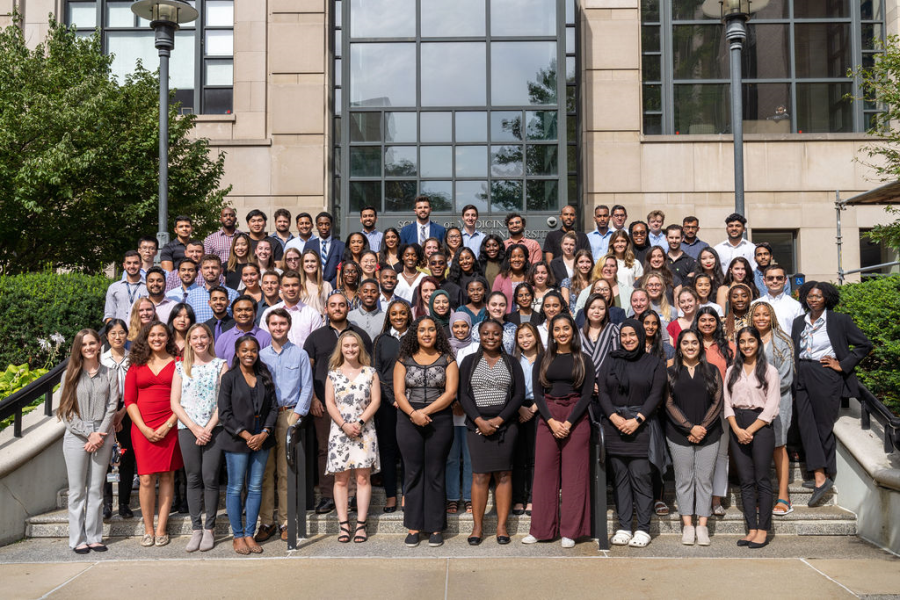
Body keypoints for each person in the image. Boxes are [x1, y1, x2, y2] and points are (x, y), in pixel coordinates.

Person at [791, 282, 872, 506]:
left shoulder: (839, 320)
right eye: (809, 296)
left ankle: (821, 477)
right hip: (802, 373)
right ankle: (822, 474)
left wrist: (842, 364)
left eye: (818, 296)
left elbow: (864, 345)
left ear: (827, 298)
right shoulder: (800, 322)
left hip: (825, 373)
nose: (813, 299)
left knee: (823, 426)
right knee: (806, 424)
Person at [523, 314, 595, 548]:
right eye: (557, 329)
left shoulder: (584, 359)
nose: (562, 333)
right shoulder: (543, 359)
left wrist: (570, 422)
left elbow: (586, 395)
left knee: (575, 476)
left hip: (576, 416)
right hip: (549, 416)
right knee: (544, 474)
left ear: (573, 331)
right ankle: (541, 529)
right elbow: (538, 392)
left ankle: (571, 531)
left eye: (566, 328)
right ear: (551, 333)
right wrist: (552, 421)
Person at [598, 319, 667, 548]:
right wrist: (615, 418)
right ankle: (624, 526)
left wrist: (637, 420)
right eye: (624, 335)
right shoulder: (611, 359)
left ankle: (644, 529)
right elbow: (603, 392)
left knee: (640, 477)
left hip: (642, 427)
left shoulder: (654, 363)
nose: (628, 339)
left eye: (632, 335)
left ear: (640, 336)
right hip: (614, 426)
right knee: (620, 479)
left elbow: (656, 395)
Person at [457, 320, 526, 545]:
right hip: (476, 426)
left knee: (504, 475)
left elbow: (518, 395)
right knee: (480, 475)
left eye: (495, 334)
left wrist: (498, 420)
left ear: (501, 336)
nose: (490, 337)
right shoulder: (468, 362)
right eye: (486, 333)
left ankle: (501, 526)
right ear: (479, 335)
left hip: (505, 425)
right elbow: (463, 395)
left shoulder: (512, 362)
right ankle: (477, 527)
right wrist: (479, 420)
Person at [304, 292, 374, 515]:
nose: (337, 308)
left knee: (357, 451)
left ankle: (354, 496)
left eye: (341, 305)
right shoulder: (315, 337)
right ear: (326, 309)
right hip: (326, 404)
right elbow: (308, 371)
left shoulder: (360, 335)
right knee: (326, 449)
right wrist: (314, 398)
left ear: (348, 308)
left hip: (359, 406)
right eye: (333, 305)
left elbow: (370, 369)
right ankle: (327, 496)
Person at [394, 316, 459, 548]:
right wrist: (413, 414)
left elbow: (451, 394)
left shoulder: (448, 359)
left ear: (437, 333)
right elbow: (399, 393)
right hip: (407, 419)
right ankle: (413, 526)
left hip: (439, 420)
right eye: (422, 330)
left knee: (435, 472)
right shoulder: (403, 360)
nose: (427, 333)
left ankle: (435, 526)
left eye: (431, 329)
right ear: (415, 333)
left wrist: (425, 412)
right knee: (413, 472)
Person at [256, 308, 314, 543]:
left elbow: (307, 388)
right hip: (264, 419)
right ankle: (267, 521)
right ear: (267, 326)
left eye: (282, 323)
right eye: (274, 324)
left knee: (286, 472)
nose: (278, 327)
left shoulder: (300, 355)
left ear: (289, 326)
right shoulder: (260, 355)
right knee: (265, 472)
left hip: (288, 415)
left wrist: (296, 417)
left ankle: (287, 521)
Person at [58, 329, 118, 554]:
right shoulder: (70, 375)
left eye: (92, 343)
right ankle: (77, 539)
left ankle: (94, 536)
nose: (89, 348)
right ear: (78, 348)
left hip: (103, 435)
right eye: (84, 345)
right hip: (76, 436)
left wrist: (99, 434)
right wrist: (88, 434)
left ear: (99, 344)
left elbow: (112, 406)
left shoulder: (109, 373)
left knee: (96, 489)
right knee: (77, 491)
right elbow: (66, 411)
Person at [123, 321, 183, 547]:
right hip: (142, 427)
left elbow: (184, 398)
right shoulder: (136, 365)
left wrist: (168, 425)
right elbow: (129, 401)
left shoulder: (179, 363)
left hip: (171, 424)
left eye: (161, 335)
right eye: (152, 335)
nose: (157, 338)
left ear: (168, 338)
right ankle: (148, 529)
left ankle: (161, 528)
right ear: (146, 339)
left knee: (167, 476)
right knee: (146, 479)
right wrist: (144, 428)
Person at [218, 335, 278, 555]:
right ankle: (238, 536)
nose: (249, 354)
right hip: (236, 441)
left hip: (262, 441)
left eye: (253, 350)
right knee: (235, 488)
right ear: (237, 353)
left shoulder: (264, 375)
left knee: (254, 488)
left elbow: (273, 408)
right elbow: (224, 413)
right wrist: (246, 435)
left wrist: (263, 433)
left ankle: (250, 534)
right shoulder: (229, 378)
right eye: (244, 350)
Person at [169, 324, 226, 552]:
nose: (200, 341)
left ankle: (210, 529)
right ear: (189, 342)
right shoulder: (181, 367)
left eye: (203, 337)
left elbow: (224, 402)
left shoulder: (220, 365)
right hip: (188, 429)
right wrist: (194, 428)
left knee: (210, 478)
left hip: (215, 429)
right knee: (192, 478)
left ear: (210, 339)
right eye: (195, 338)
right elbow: (175, 402)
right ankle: (196, 529)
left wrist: (208, 428)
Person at [664, 330, 723, 546]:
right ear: (679, 347)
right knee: (684, 479)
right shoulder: (670, 372)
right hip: (679, 434)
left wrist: (702, 427)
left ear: (701, 346)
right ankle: (688, 525)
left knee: (704, 480)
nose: (690, 346)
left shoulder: (712, 370)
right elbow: (668, 403)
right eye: (686, 343)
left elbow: (718, 401)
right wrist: (689, 427)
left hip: (709, 433)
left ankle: (703, 526)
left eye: (694, 343)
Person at [724, 327, 781, 548]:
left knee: (762, 480)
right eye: (742, 341)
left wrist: (750, 430)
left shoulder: (769, 371)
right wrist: (737, 429)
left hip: (761, 427)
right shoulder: (731, 371)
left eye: (751, 341)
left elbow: (771, 406)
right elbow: (727, 404)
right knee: (745, 481)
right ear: (738, 344)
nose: (747, 345)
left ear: (758, 343)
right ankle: (751, 529)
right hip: (737, 424)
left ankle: (763, 530)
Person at [326, 330, 381, 543]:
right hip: (340, 431)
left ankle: (360, 524)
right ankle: (343, 525)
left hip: (364, 431)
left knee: (362, 478)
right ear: (341, 348)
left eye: (354, 345)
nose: (350, 349)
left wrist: (358, 423)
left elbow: (375, 401)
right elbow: (329, 402)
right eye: (346, 345)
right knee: (340, 479)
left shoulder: (370, 372)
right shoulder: (333, 373)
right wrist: (343, 424)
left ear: (360, 348)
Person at [750, 301, 795, 516]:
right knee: (757, 448)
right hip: (752, 404)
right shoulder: (747, 339)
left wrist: (763, 393)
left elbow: (786, 377)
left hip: (779, 401)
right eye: (757, 314)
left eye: (765, 314)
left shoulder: (783, 341)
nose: (761, 318)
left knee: (778, 445)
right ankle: (763, 494)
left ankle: (784, 495)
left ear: (772, 317)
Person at [691, 307, 735, 517]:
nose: (707, 323)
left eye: (711, 320)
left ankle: (716, 499)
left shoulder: (728, 348)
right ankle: (698, 498)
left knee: (720, 455)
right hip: (694, 409)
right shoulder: (690, 344)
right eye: (703, 320)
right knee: (697, 455)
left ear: (717, 323)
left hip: (722, 408)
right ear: (697, 322)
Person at [372, 300, 413, 514]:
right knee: (388, 451)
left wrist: (405, 398)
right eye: (394, 313)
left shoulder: (414, 339)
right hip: (387, 405)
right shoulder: (380, 340)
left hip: (411, 402)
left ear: (408, 315)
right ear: (389, 316)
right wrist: (392, 397)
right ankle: (390, 496)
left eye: (402, 313)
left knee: (407, 451)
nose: (398, 317)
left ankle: (407, 494)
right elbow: (376, 372)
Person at [101, 320, 136, 519]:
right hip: (105, 413)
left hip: (128, 411)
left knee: (127, 458)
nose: (117, 337)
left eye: (121, 332)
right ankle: (107, 504)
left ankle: (124, 503)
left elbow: (135, 390)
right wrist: (111, 414)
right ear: (107, 336)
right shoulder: (102, 360)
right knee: (106, 459)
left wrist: (122, 412)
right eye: (113, 333)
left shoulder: (133, 359)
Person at [512, 322, 543, 517]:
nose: (525, 340)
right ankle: (517, 498)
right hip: (517, 408)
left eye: (528, 335)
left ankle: (532, 498)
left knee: (535, 457)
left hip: (539, 407)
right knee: (518, 456)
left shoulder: (545, 358)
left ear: (536, 337)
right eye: (521, 336)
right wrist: (520, 408)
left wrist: (534, 408)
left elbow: (550, 385)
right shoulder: (513, 359)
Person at [446, 312, 475, 516]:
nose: (460, 330)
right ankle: (453, 497)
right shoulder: (445, 348)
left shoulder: (477, 347)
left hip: (471, 411)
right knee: (452, 457)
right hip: (448, 410)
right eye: (456, 326)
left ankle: (470, 496)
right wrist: (453, 402)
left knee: (470, 457)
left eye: (464, 326)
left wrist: (464, 403)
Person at [215, 296, 272, 364]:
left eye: (248, 310)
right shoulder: (223, 338)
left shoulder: (266, 338)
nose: (243, 313)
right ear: (233, 314)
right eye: (239, 310)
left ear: (255, 313)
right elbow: (218, 365)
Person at [580, 295, 621, 388]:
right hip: (585, 383)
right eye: (592, 308)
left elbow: (617, 360)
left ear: (606, 311)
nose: (596, 311)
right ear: (586, 310)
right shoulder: (579, 333)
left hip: (608, 382)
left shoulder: (613, 330)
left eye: (601, 308)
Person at [186, 254, 239, 323]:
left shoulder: (233, 295)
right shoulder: (192, 295)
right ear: (201, 271)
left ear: (221, 271)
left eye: (214, 268)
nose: (210, 271)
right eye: (206, 268)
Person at [755, 264, 803, 334]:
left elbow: (801, 332)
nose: (775, 281)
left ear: (785, 280)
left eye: (779, 278)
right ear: (764, 281)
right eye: (770, 278)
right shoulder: (755, 304)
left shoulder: (796, 306)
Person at [105, 251, 148, 323]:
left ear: (141, 265)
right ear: (124, 265)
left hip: (142, 331)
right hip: (121, 332)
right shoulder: (114, 288)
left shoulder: (148, 288)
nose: (132, 266)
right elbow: (109, 316)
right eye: (129, 263)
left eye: (135, 263)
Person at [305, 211, 345, 285]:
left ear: (331, 225)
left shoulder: (341, 246)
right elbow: (305, 266)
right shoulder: (309, 245)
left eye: (327, 224)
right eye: (321, 224)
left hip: (334, 286)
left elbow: (343, 268)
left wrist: (330, 285)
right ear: (316, 226)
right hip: (313, 285)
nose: (324, 227)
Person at [492, 244, 530, 311]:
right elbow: (494, 299)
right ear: (509, 259)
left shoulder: (531, 277)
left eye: (520, 256)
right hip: (506, 318)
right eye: (513, 257)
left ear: (525, 259)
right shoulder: (501, 278)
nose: (517, 259)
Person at [297, 249, 334, 315]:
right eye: (306, 261)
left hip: (321, 322)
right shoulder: (298, 285)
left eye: (313, 261)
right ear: (302, 265)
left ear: (318, 264)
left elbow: (331, 307)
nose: (310, 264)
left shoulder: (326, 285)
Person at [560, 249, 594, 314]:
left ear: (592, 264)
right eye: (581, 262)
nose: (585, 265)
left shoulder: (595, 283)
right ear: (576, 264)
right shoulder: (567, 282)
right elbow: (565, 307)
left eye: (588, 262)